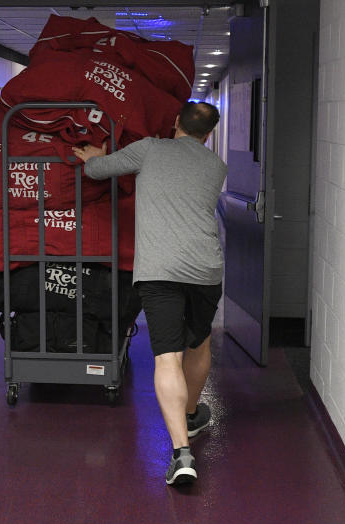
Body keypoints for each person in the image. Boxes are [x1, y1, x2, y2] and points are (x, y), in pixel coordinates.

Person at [72, 101, 228, 487]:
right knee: (200, 342)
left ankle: (181, 454)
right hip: (205, 268)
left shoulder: (150, 148)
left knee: (167, 357)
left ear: (175, 122)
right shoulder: (216, 166)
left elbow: (96, 170)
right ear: (208, 135)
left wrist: (96, 156)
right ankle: (190, 415)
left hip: (160, 271)